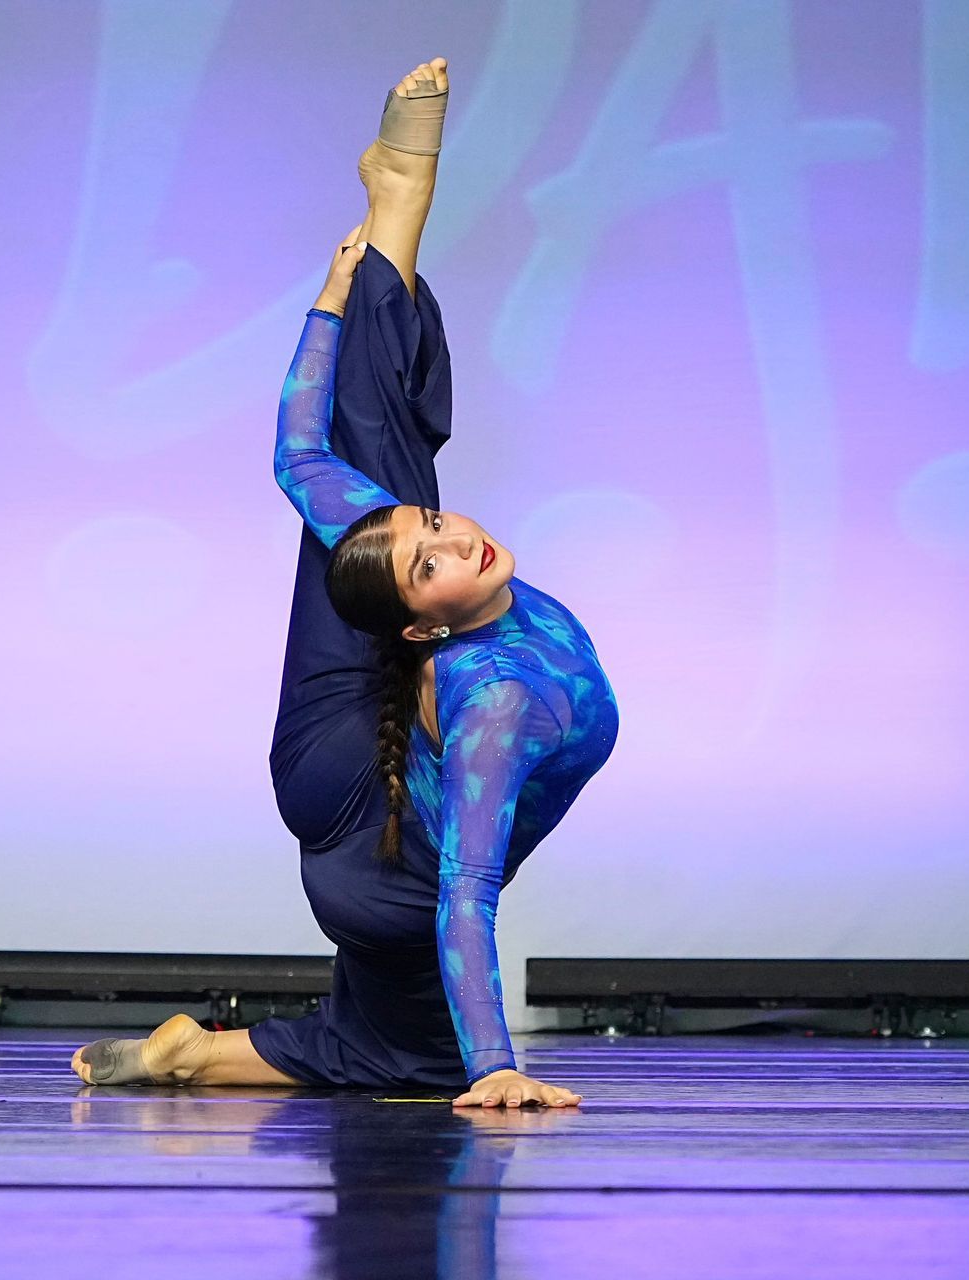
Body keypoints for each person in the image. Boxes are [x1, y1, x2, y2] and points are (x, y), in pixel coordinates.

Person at [73, 58, 617, 1108]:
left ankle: (195, 1055)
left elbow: (298, 456)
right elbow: (465, 893)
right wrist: (496, 1065)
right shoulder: (494, 696)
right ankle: (398, 211)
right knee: (405, 1055)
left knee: (377, 510)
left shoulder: (449, 632)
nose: (460, 538)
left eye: (444, 531)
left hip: (348, 779)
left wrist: (328, 302)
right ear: (415, 633)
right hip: (382, 854)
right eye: (435, 558)